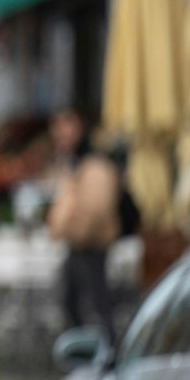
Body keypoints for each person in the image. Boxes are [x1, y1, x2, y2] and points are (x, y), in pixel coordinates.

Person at [44, 110, 120, 338]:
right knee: (73, 301)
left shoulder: (94, 163)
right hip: (77, 243)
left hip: (90, 244)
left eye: (65, 127)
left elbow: (94, 209)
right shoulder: (73, 161)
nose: (60, 135)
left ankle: (102, 353)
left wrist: (71, 229)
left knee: (94, 303)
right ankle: (82, 352)